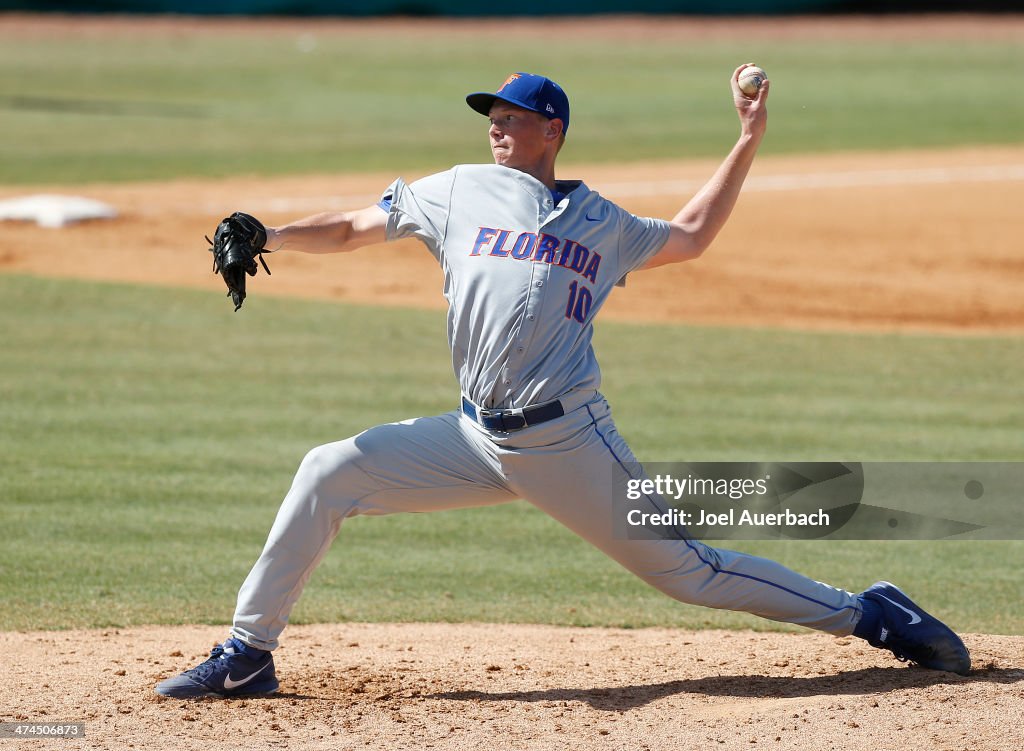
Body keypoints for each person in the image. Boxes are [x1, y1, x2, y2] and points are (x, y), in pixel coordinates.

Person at [156, 67, 969, 698]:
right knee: (327, 470)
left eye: (510, 118)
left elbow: (689, 236)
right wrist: (274, 234)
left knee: (692, 573)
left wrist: (747, 139)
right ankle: (247, 653)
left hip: (570, 439)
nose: (496, 128)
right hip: (474, 436)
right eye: (490, 118)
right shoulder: (455, 190)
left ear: (553, 130)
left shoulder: (602, 223)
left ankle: (872, 611)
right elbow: (356, 226)